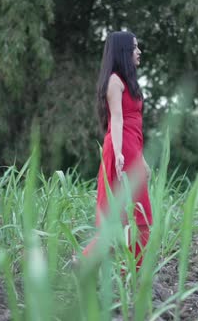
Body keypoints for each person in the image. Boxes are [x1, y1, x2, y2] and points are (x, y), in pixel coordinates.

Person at [81, 31, 153, 270]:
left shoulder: (126, 81)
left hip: (132, 148)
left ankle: (128, 274)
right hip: (121, 149)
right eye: (134, 47)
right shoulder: (114, 81)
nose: (139, 51)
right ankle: (127, 274)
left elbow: (134, 126)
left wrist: (141, 159)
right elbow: (118, 121)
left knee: (133, 217)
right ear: (123, 52)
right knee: (130, 218)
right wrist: (120, 155)